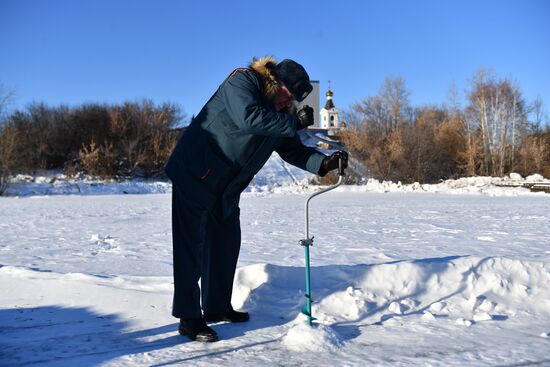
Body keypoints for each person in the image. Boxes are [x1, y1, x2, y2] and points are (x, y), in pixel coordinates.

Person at [165, 56, 348, 342]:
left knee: (225, 242)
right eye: (286, 95)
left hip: (225, 186)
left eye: (292, 101)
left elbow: (292, 150)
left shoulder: (281, 114)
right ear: (274, 81)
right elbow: (247, 117)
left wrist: (324, 164)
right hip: (195, 172)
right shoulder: (243, 80)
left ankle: (216, 306)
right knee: (191, 247)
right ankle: (189, 317)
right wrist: (291, 122)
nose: (286, 103)